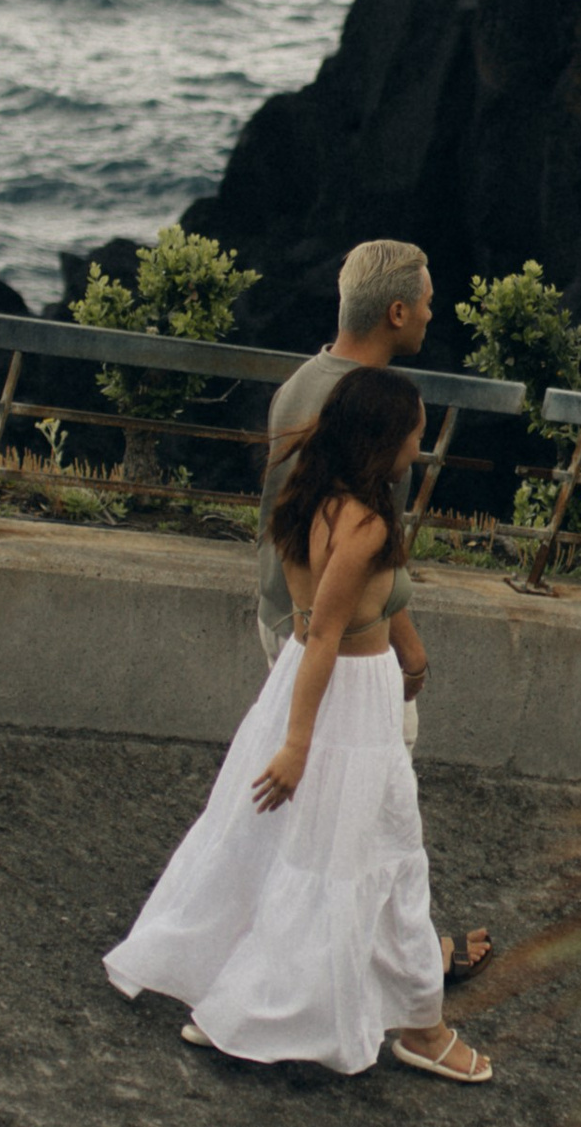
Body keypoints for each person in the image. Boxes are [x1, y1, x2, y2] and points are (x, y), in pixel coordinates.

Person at [105, 364, 493, 1082]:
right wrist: (297, 745)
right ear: (385, 437)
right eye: (415, 430)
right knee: (382, 858)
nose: (421, 441)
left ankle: (236, 1002)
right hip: (345, 698)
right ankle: (420, 1029)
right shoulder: (370, 523)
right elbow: (328, 636)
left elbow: (316, 616)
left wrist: (407, 651)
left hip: (312, 679)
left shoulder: (315, 498)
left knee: (292, 850)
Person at [254, 233, 488, 988]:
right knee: (372, 819)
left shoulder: (301, 384)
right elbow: (355, 560)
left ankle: (396, 954)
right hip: (341, 645)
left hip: (290, 622)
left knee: (350, 814)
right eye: (425, 299)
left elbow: (295, 528)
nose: (432, 309)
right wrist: (407, 647)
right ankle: (384, 970)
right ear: (395, 312)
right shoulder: (366, 410)